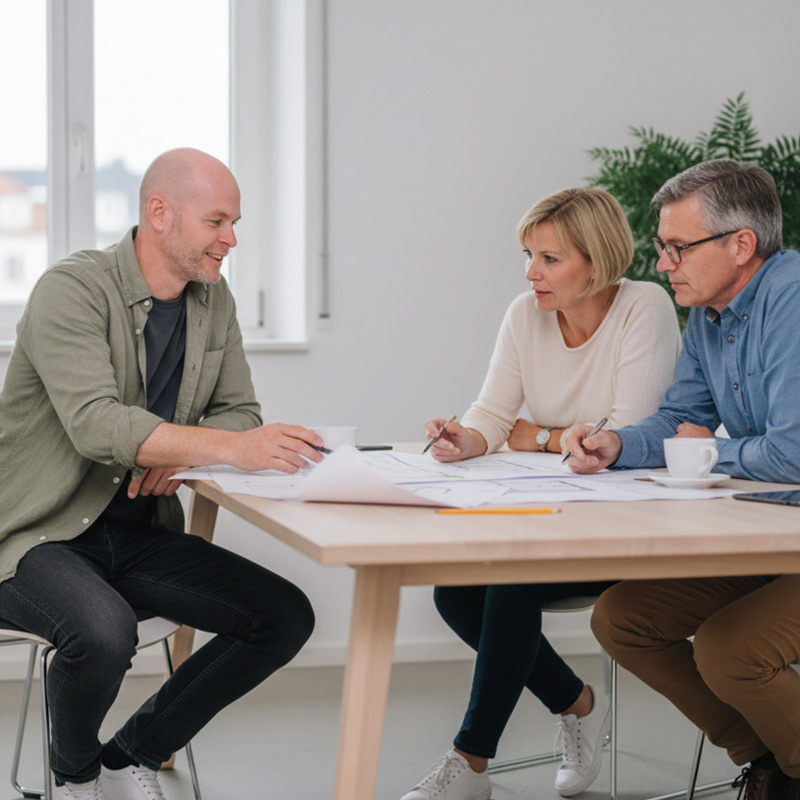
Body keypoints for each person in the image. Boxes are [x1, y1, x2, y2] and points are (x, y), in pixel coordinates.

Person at [0, 148, 328, 800]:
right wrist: (226, 448)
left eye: (234, 223)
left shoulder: (213, 298)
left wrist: (182, 454)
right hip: (37, 535)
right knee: (103, 632)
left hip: (135, 531)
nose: (231, 239)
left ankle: (129, 756)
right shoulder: (71, 290)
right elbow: (96, 423)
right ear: (159, 213)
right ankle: (76, 777)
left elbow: (240, 411)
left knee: (283, 616)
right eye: (216, 221)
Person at [401, 187, 681, 800]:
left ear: (597, 261)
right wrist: (465, 438)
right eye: (528, 256)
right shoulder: (525, 314)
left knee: (513, 580)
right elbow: (494, 414)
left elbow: (626, 434)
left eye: (549, 259)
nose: (531, 273)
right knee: (454, 593)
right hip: (557, 515)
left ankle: (470, 761)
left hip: (631, 522)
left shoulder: (645, 306)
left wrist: (543, 436)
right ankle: (579, 704)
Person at [564, 160, 800, 800]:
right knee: (622, 619)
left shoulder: (792, 298)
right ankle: (770, 757)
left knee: (730, 649)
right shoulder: (710, 312)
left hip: (787, 534)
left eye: (678, 247)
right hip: (772, 534)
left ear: (741, 245)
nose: (663, 263)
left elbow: (793, 453)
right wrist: (617, 444)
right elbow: (679, 418)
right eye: (662, 246)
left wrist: (707, 453)